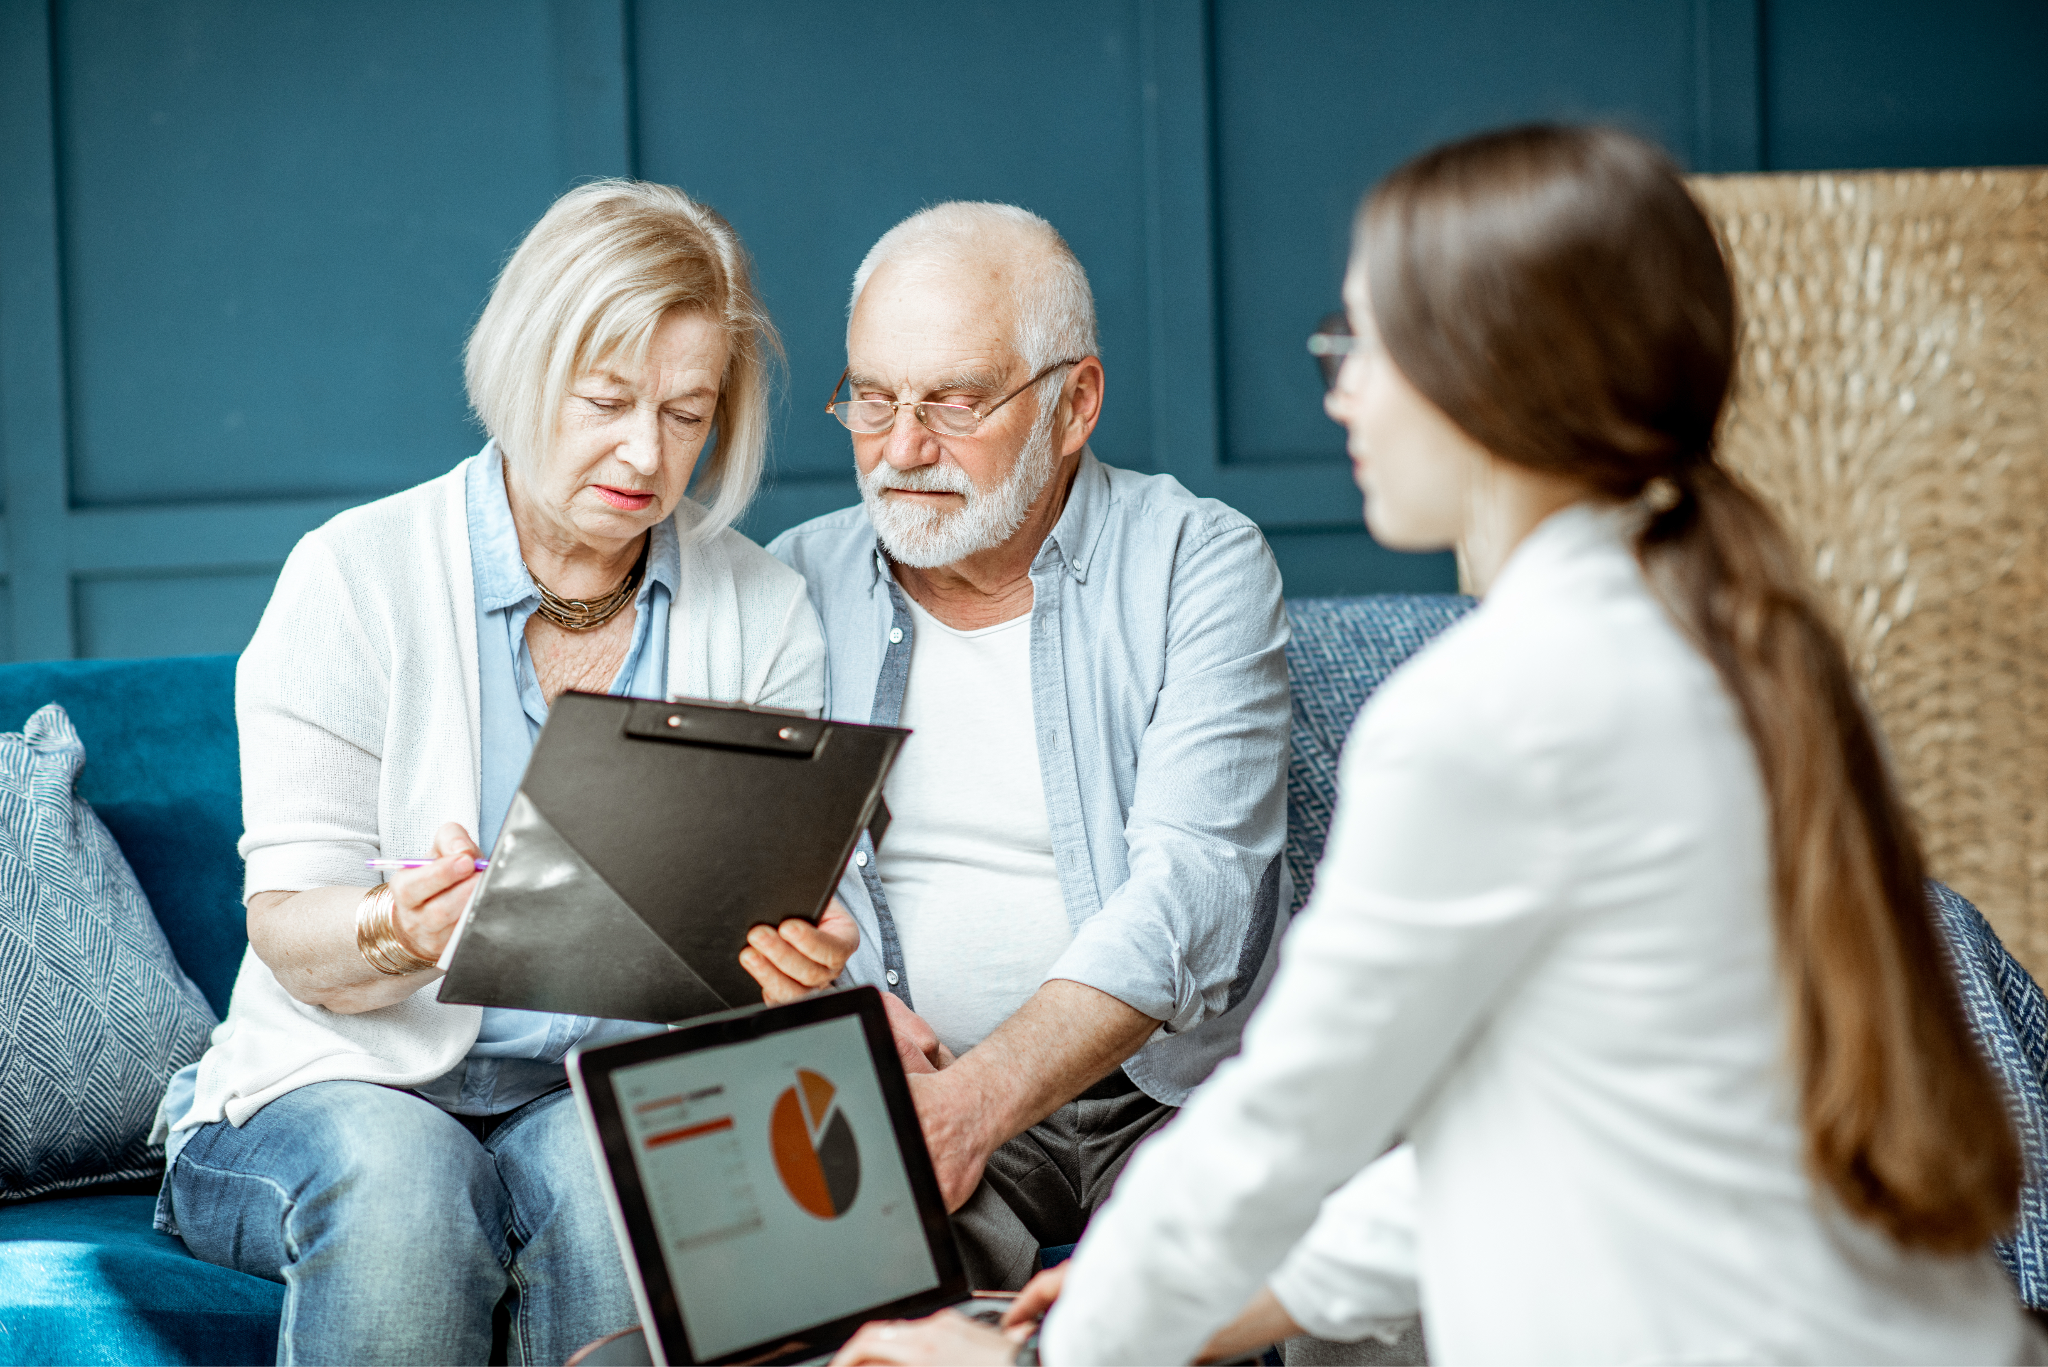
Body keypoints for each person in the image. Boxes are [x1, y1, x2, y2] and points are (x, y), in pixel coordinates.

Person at [828, 126, 2041, 1367]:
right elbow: (1514, 1137)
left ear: (1498, 376)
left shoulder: (1487, 712)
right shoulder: (1706, 636)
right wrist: (1168, 1314)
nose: (1338, 389)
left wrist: (1046, 1356)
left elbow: (1292, 1118)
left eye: (1362, 344)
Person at [148, 180, 849, 1367]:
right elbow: (289, 932)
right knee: (408, 1186)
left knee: (623, 1186)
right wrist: (395, 931)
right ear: (525, 370)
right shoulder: (355, 576)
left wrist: (798, 966)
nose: (646, 453)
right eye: (608, 400)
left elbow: (767, 944)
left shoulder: (763, 608)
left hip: (594, 1084)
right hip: (335, 1082)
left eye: (686, 415)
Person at [769, 202, 1290, 1289]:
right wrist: (836, 1011)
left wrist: (980, 1097)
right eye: (871, 399)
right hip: (902, 1087)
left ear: (1072, 404)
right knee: (804, 1289)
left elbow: (1196, 884)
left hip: (1175, 1091)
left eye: (953, 402)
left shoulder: (1196, 559)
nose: (902, 450)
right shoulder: (791, 585)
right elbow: (746, 885)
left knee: (1325, 1237)